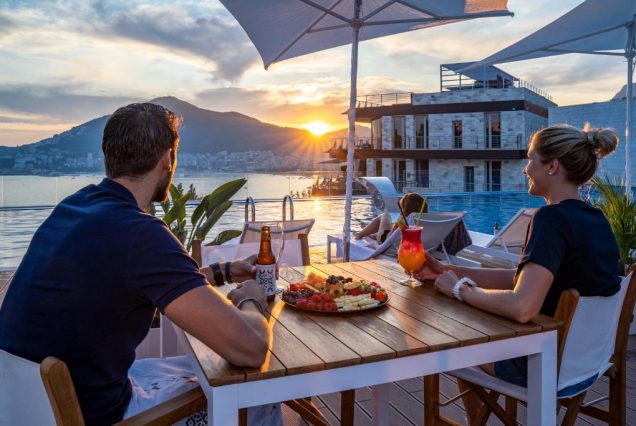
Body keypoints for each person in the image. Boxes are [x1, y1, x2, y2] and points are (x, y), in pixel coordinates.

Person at [0, 103, 281, 426]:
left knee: (203, 369)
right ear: (167, 159)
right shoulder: (140, 233)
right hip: (99, 415)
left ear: (109, 157)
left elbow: (137, 287)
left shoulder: (73, 208)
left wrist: (224, 272)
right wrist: (251, 301)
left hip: (32, 409)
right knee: (257, 391)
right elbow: (251, 349)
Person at [415, 123, 622, 424]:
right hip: (587, 361)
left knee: (461, 338)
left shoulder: (551, 219)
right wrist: (448, 270)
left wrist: (460, 290)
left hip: (543, 363)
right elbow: (523, 278)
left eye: (530, 159)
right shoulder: (595, 218)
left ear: (552, 166)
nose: (526, 169)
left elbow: (523, 307)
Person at [355, 192, 427, 242]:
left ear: (405, 208)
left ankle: (359, 235)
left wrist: (396, 224)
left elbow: (390, 238)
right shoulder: (426, 220)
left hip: (384, 240)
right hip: (416, 244)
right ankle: (374, 235)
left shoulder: (404, 220)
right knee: (388, 225)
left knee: (385, 216)